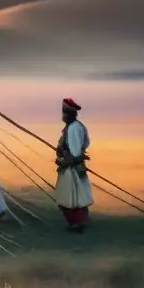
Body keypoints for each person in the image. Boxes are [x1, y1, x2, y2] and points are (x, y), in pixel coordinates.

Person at [54, 97, 94, 231]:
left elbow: (75, 151)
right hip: (71, 167)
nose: (62, 116)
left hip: (72, 169)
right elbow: (87, 142)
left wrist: (64, 156)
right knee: (73, 197)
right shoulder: (76, 126)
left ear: (69, 114)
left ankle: (77, 223)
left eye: (64, 113)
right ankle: (77, 222)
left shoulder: (73, 128)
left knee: (73, 198)